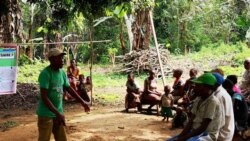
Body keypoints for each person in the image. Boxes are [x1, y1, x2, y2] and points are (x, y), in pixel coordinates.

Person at [36, 48, 90, 141]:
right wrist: (57, 113)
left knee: (61, 138)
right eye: (59, 58)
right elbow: (44, 97)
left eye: (62, 58)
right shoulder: (45, 74)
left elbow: (69, 88)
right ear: (52, 59)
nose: (62, 61)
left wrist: (83, 102)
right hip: (46, 114)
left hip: (58, 113)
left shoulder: (62, 73)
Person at [167, 73, 222, 141]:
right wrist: (180, 136)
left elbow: (203, 128)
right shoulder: (198, 99)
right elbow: (191, 121)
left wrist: (183, 138)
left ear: (207, 88)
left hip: (206, 135)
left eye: (198, 85)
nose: (194, 87)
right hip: (195, 132)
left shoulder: (212, 102)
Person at [212, 73, 234, 141]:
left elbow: (220, 120)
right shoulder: (219, 93)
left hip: (222, 134)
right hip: (223, 132)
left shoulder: (219, 96)